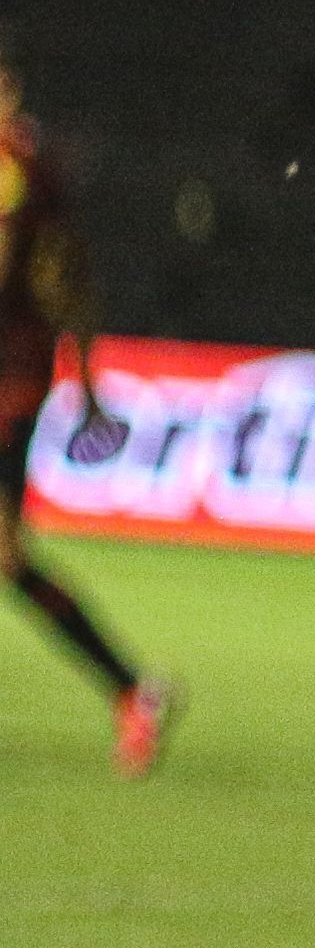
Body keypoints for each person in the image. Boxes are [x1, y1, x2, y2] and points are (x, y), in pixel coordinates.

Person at [0, 57, 167, 774]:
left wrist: (89, 381)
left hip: (8, 377)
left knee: (4, 556)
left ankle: (133, 690)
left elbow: (67, 283)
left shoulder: (19, 169)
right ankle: (134, 690)